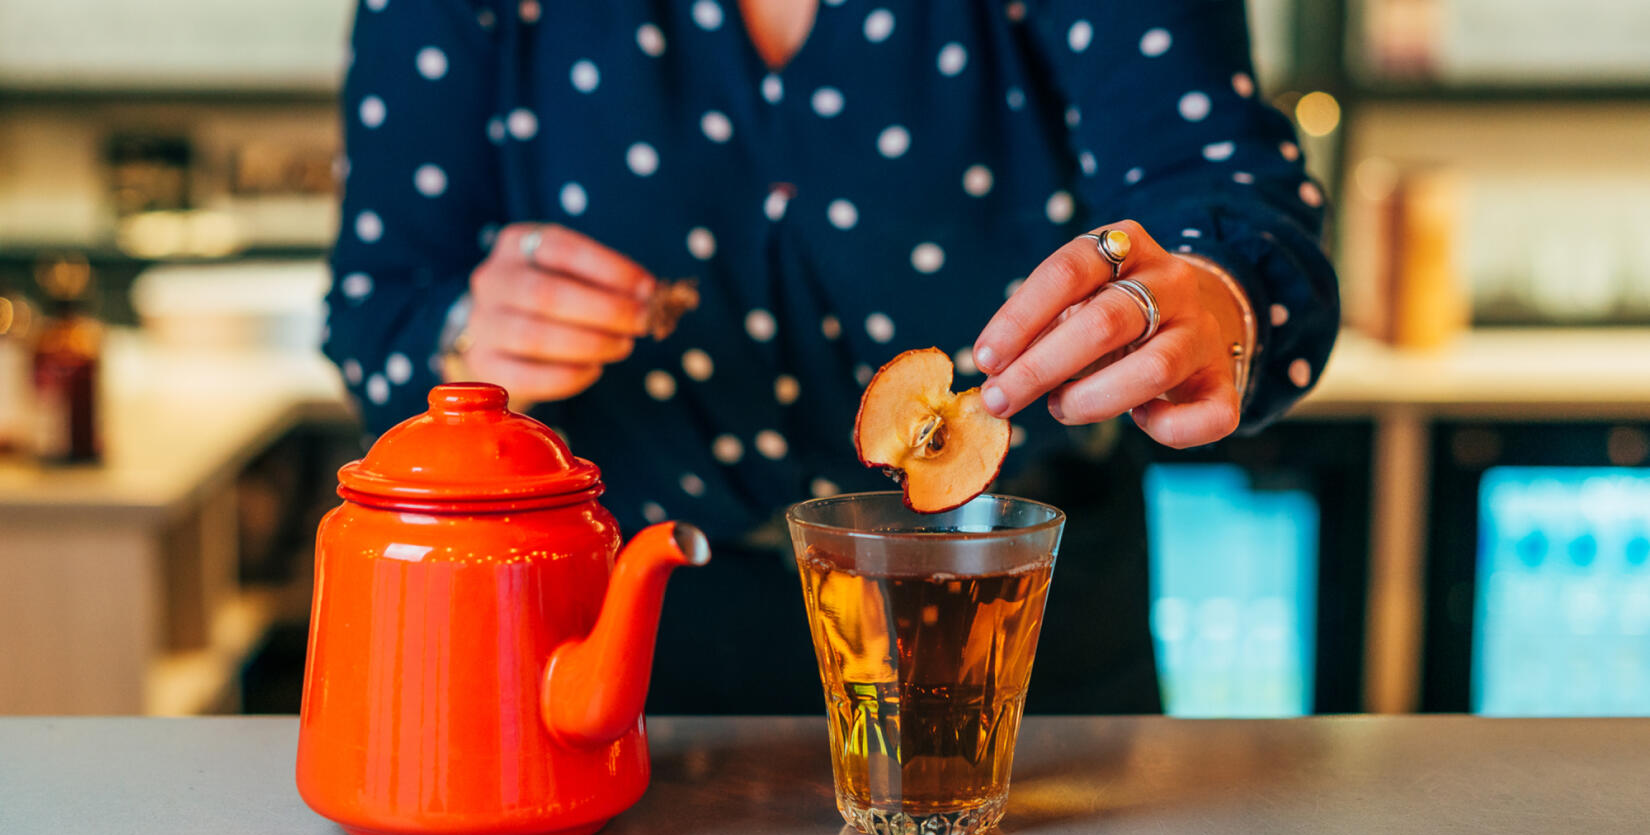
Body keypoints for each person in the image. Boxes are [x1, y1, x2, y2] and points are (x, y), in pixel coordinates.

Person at [323, 0, 1340, 715]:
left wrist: (1216, 297)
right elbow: (375, 313)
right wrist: (462, 331)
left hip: (1017, 646)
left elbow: (1223, 192)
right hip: (599, 651)